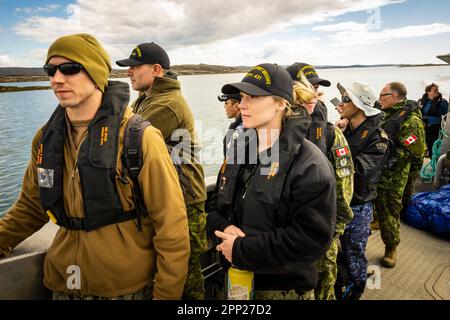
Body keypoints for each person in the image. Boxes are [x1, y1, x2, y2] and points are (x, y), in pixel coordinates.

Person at [0, 34, 190, 300]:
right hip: (61, 283)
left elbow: (171, 226)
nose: (57, 78)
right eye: (50, 70)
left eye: (70, 69)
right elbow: (31, 208)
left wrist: (166, 295)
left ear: (96, 73)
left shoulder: (140, 137)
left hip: (125, 289)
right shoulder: (45, 139)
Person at [207, 63, 336, 300]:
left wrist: (241, 249)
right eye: (242, 96)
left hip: (281, 289)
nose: (243, 104)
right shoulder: (239, 150)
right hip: (235, 280)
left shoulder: (310, 165)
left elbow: (311, 239)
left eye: (253, 97)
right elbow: (215, 204)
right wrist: (223, 228)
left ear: (281, 103)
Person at [116, 42, 207, 300]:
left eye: (135, 67)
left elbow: (122, 141)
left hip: (184, 200)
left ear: (156, 70)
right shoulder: (150, 98)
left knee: (187, 279)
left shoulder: (166, 105)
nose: (129, 72)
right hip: (169, 197)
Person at [286, 64, 354, 300]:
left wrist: (334, 229)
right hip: (284, 239)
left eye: (315, 88)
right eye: (305, 87)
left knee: (325, 287)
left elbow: (344, 185)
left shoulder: (330, 133)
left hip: (322, 232)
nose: (312, 94)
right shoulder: (265, 135)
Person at [336, 82, 389, 299]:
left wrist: (335, 144)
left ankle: (355, 293)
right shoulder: (346, 130)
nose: (341, 103)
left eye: (347, 99)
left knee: (354, 256)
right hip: (338, 204)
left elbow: (357, 172)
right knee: (336, 256)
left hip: (357, 207)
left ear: (360, 105)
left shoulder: (378, 140)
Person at [375, 82, 426, 268]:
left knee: (389, 211)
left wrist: (387, 148)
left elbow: (417, 152)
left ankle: (391, 247)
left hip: (394, 177)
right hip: (375, 173)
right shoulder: (383, 114)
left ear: (395, 96)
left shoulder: (411, 121)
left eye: (383, 95)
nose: (380, 99)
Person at [418, 83, 448, 157]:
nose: (437, 91)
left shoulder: (443, 103)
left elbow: (447, 116)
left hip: (435, 129)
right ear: (428, 91)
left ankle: (434, 163)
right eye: (435, 90)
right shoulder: (421, 101)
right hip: (422, 128)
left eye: (437, 90)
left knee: (434, 148)